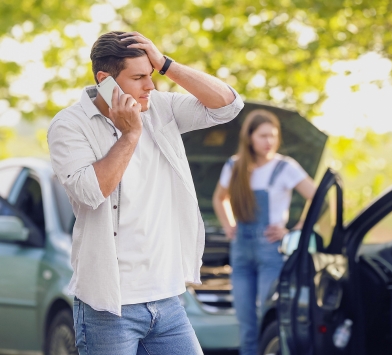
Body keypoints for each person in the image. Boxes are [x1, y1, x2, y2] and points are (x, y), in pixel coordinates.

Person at [47, 31, 244, 355]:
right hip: (109, 307)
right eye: (139, 77)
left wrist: (166, 65)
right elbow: (91, 192)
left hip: (167, 300)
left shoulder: (160, 107)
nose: (150, 86)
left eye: (151, 75)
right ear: (105, 80)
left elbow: (228, 106)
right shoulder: (69, 125)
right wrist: (130, 134)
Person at [212, 109, 317, 355]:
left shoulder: (285, 167)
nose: (269, 141)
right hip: (241, 252)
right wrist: (229, 226)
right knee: (246, 321)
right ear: (249, 138)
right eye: (263, 136)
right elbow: (220, 198)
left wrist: (294, 230)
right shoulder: (235, 166)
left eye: (273, 136)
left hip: (272, 253)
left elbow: (318, 198)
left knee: (268, 318)